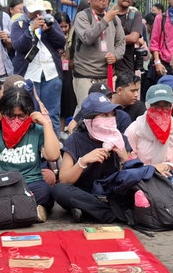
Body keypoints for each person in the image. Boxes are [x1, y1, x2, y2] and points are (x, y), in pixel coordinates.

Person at [0, 86, 61, 217]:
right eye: (11, 116)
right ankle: (28, 210)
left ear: (29, 113)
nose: (16, 121)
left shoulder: (36, 130)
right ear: (2, 112)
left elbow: (53, 155)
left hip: (30, 183)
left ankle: (0, 210)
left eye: (21, 116)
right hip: (1, 183)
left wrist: (45, 123)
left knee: (47, 193)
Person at [53, 92, 131, 222]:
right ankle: (111, 213)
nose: (110, 118)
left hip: (110, 191)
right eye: (104, 115)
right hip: (84, 192)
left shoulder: (120, 139)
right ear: (89, 120)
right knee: (59, 190)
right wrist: (83, 161)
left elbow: (132, 176)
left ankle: (87, 211)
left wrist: (124, 158)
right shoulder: (75, 140)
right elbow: (64, 179)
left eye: (112, 114)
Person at [124, 84, 173, 201]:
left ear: (171, 106)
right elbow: (128, 161)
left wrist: (166, 166)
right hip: (142, 176)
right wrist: (151, 169)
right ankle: (167, 197)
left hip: (169, 176)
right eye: (156, 105)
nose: (161, 110)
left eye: (166, 105)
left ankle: (150, 197)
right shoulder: (135, 129)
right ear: (147, 106)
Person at [12, 0, 66, 130]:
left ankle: (53, 146)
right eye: (32, 11)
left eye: (38, 10)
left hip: (51, 73)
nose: (36, 14)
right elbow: (19, 46)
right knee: (30, 112)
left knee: (52, 112)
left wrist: (49, 30)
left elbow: (61, 42)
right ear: (25, 9)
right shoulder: (19, 24)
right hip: (29, 74)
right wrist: (30, 29)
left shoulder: (50, 20)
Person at [71, 0, 126, 106]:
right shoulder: (83, 16)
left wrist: (115, 56)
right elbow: (87, 38)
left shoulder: (114, 18)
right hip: (85, 76)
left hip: (107, 75)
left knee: (107, 110)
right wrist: (105, 20)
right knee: (85, 110)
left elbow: (121, 42)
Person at [112, 0, 147, 80]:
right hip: (107, 66)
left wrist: (111, 39)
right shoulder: (108, 13)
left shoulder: (135, 15)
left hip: (126, 66)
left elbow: (133, 38)